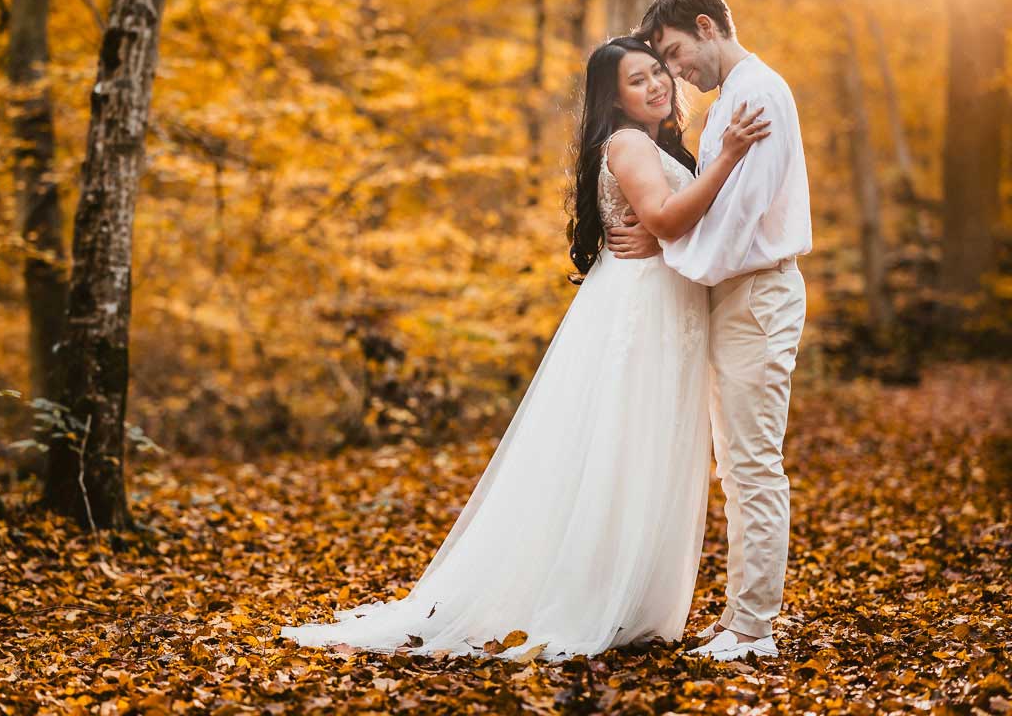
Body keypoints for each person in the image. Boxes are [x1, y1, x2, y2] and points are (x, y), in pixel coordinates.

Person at [279, 36, 769, 662]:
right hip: (642, 311)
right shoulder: (627, 143)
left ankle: (628, 598)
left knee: (646, 447)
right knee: (623, 446)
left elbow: (670, 224)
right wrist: (727, 158)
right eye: (637, 80)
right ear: (613, 99)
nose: (656, 85)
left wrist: (670, 229)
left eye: (657, 72)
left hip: (664, 305)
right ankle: (591, 597)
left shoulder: (658, 145)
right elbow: (668, 218)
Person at [608, 0, 812, 662]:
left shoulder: (758, 95)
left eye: (673, 54)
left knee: (753, 465)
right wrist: (665, 236)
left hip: (756, 294)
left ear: (705, 26)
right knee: (738, 464)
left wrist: (662, 242)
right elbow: (716, 212)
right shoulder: (729, 101)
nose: (674, 73)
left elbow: (734, 224)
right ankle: (739, 621)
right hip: (734, 295)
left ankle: (752, 629)